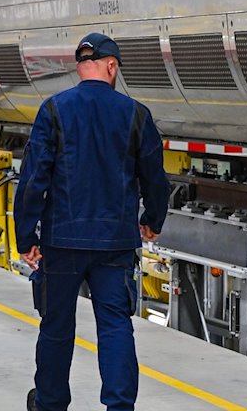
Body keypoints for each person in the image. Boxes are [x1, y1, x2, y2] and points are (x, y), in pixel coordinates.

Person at [14, 32, 170, 411]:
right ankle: (119, 406)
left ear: (82, 67)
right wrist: (152, 219)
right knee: (115, 325)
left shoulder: (53, 109)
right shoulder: (136, 114)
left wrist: (26, 236)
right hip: (114, 243)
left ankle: (50, 403)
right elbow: (155, 178)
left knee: (56, 326)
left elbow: (33, 178)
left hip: (62, 240)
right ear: (111, 66)